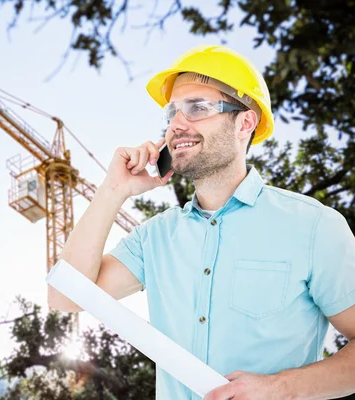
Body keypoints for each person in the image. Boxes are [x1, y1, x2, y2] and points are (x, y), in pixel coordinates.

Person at [49, 44, 355, 400]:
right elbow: (65, 297)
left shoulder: (315, 227)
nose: (177, 125)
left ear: (245, 122)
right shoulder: (154, 237)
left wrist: (277, 389)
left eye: (197, 108)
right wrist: (113, 189)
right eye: (172, 113)